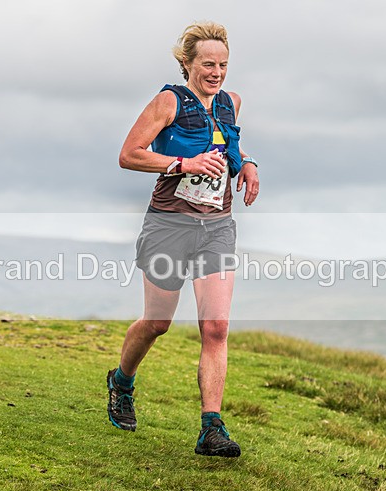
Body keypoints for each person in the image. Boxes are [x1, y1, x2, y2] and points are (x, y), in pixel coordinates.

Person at [106, 21, 259, 457]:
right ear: (188, 64)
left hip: (217, 227)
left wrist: (247, 163)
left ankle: (212, 427)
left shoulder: (231, 103)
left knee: (216, 327)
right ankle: (122, 380)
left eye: (223, 64)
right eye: (208, 64)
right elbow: (129, 154)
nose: (216, 72)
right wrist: (181, 164)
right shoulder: (169, 101)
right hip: (168, 225)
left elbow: (229, 144)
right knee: (158, 323)